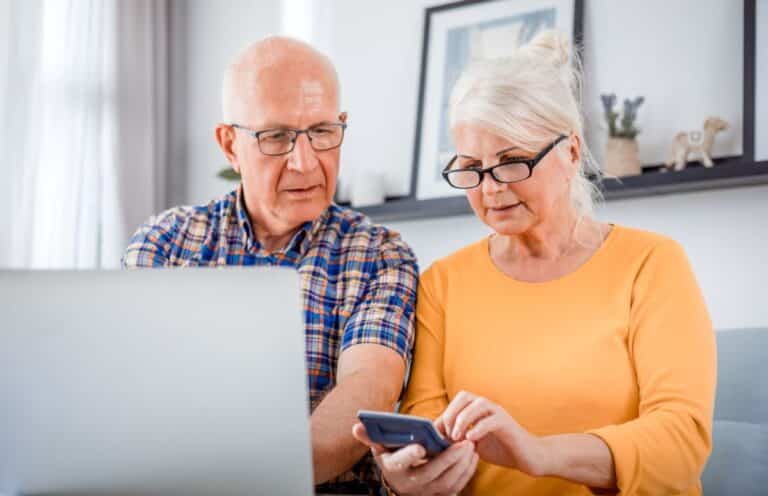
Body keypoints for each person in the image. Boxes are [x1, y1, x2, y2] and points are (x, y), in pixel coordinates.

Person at [353, 30, 716, 495]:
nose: (490, 189)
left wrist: (539, 453)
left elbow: (680, 443)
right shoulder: (442, 284)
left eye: (511, 162)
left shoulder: (651, 265)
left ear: (571, 151)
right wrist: (407, 475)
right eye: (471, 168)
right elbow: (427, 425)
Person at [123, 37, 418, 494]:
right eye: (276, 136)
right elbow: (135, 393)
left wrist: (248, 481)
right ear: (229, 145)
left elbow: (367, 388)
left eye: (321, 132)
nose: (304, 163)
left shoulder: (380, 255)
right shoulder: (165, 244)